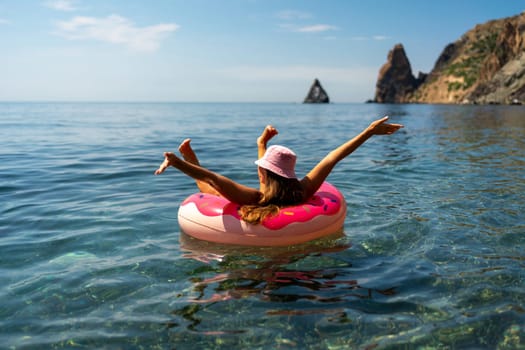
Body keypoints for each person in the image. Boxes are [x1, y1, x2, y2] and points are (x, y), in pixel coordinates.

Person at [155, 116, 403, 224]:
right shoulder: (304, 190)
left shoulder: (255, 197)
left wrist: (179, 163)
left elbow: (213, 179)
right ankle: (191, 159)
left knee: (212, 190)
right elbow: (333, 157)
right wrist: (369, 132)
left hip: (254, 230)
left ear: (263, 174)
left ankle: (191, 159)